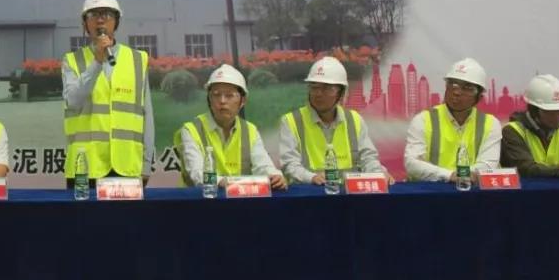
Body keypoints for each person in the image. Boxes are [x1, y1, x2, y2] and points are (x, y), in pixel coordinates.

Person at [62, 0, 154, 187]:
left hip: (127, 166)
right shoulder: (72, 61)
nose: (100, 19)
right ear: (85, 24)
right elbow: (73, 102)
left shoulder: (137, 59)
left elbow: (147, 114)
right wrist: (97, 61)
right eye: (93, 14)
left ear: (116, 21)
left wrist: (146, 164)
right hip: (85, 167)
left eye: (107, 14)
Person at [279, 56, 392, 184]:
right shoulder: (292, 121)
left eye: (327, 88)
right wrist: (311, 177)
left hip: (350, 193)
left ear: (341, 93)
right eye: (314, 87)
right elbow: (289, 165)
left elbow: (368, 158)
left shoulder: (354, 119)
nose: (319, 94)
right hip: (310, 192)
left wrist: (378, 174)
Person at [175, 64, 286, 189]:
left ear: (243, 101)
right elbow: (197, 174)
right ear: (209, 99)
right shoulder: (191, 130)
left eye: (229, 95)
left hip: (240, 198)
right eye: (216, 95)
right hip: (202, 198)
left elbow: (262, 165)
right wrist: (222, 182)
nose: (222, 101)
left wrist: (274, 175)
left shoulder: (250, 130)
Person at [403, 57, 501, 182]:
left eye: (467, 88)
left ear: (479, 97)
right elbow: (412, 164)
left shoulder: (491, 124)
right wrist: (449, 175)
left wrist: (461, 176)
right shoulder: (423, 120)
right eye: (453, 84)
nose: (457, 92)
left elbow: (488, 165)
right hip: (431, 191)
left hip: (472, 191)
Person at [501, 74, 559, 178]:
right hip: (527, 189)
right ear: (535, 111)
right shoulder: (512, 131)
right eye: (553, 112)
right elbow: (525, 168)